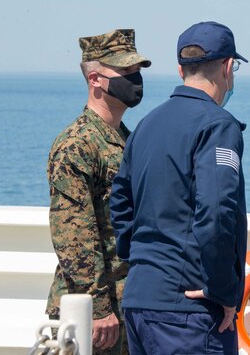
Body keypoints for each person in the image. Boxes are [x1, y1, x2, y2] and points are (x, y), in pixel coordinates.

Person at [110, 21, 248, 355]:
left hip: (141, 298)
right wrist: (222, 289)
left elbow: (120, 203)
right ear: (229, 67)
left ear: (180, 69)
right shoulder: (217, 125)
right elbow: (215, 212)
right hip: (189, 309)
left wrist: (146, 263)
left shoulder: (146, 125)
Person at [47, 29, 151, 355]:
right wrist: (97, 306)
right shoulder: (77, 144)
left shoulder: (127, 139)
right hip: (93, 311)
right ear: (95, 79)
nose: (134, 79)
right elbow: (73, 231)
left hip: (125, 301)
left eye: (136, 71)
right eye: (124, 72)